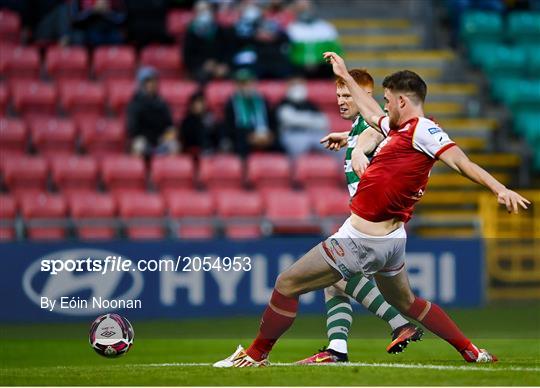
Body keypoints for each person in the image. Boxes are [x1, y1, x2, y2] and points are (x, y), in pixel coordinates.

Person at [213, 52, 530, 367]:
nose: (385, 106)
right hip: (390, 240)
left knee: (286, 283)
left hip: (361, 239)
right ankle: (470, 350)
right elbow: (369, 114)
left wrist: (499, 188)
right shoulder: (400, 129)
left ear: (403, 101)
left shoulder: (423, 130)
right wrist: (346, 79)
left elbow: (462, 162)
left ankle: (255, 356)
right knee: (406, 300)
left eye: (389, 101)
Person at [296, 69, 422, 365]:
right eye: (337, 95)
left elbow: (380, 131)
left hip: (371, 223)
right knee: (334, 282)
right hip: (364, 219)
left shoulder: (375, 125)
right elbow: (365, 133)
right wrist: (347, 138)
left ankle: (398, 324)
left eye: (346, 95)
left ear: (365, 97)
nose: (340, 101)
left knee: (337, 274)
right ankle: (337, 348)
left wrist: (359, 147)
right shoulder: (356, 128)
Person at [222, 69, 278, 157]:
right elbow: (229, 127)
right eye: (242, 83)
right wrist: (249, 137)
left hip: (264, 135)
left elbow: (273, 121)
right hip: (243, 138)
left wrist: (270, 135)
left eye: (248, 82)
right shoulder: (231, 104)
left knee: (279, 148)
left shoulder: (263, 100)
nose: (245, 86)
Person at [126, 67, 179, 157]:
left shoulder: (161, 103)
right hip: (143, 140)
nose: (152, 84)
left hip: (161, 140)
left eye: (154, 81)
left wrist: (168, 134)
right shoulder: (135, 104)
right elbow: (132, 129)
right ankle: (141, 170)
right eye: (148, 82)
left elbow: (169, 125)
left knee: (174, 145)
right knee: (138, 145)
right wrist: (144, 137)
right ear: (141, 84)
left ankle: (169, 169)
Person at [286, 0, 342, 78]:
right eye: (302, 8)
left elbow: (336, 52)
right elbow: (288, 52)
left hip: (323, 67)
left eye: (308, 7)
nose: (306, 11)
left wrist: (317, 62)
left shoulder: (327, 28)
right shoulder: (291, 28)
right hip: (298, 68)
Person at [275, 76, 328, 158]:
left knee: (336, 146)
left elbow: (323, 122)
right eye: (294, 85)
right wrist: (311, 119)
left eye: (300, 84)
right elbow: (289, 120)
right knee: (298, 146)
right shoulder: (283, 103)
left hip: (313, 134)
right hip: (293, 135)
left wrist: (300, 118)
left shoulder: (311, 104)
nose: (298, 87)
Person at [182, 0, 230, 82]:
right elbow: (187, 57)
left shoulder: (219, 30)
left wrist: (221, 64)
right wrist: (204, 65)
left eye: (205, 10)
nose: (204, 14)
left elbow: (227, 50)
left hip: (218, 66)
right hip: (200, 67)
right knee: (202, 76)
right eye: (200, 11)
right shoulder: (191, 32)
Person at [179, 91, 217, 158]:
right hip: (191, 153)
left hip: (210, 152)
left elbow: (215, 138)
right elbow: (186, 140)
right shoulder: (187, 121)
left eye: (200, 103)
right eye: (195, 103)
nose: (198, 106)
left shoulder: (210, 119)